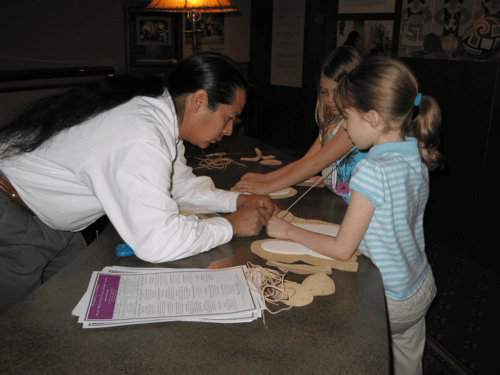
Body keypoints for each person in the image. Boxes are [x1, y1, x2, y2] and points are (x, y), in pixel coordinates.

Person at [0, 52, 279, 313]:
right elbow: (156, 242)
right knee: (18, 330)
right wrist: (230, 225)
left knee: (70, 308)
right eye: (228, 118)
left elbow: (176, 184)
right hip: (13, 219)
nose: (230, 130)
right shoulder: (143, 135)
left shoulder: (161, 113)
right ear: (199, 101)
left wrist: (237, 200)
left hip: (49, 220)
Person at [266, 56, 444, 375]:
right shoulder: (415, 152)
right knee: (407, 363)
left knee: (334, 344)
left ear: (373, 118)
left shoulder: (371, 170)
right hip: (421, 285)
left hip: (389, 298)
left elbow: (341, 249)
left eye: (347, 117)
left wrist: (287, 231)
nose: (345, 127)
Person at [233, 46, 367, 204]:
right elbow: (307, 160)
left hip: (355, 206)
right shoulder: (334, 120)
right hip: (337, 200)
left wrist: (267, 187)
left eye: (336, 93)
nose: (330, 100)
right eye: (324, 92)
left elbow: (315, 165)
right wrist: (264, 178)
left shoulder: (353, 127)